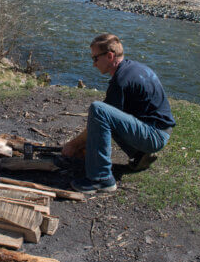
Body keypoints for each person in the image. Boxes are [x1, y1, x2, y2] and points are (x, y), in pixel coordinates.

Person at [62, 34, 175, 193]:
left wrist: (73, 145)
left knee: (98, 109)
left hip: (154, 135)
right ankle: (139, 154)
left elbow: (101, 118)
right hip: (158, 131)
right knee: (106, 114)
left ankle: (101, 179)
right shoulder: (131, 68)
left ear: (109, 56)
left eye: (95, 58)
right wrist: (83, 145)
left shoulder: (121, 80)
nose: (94, 64)